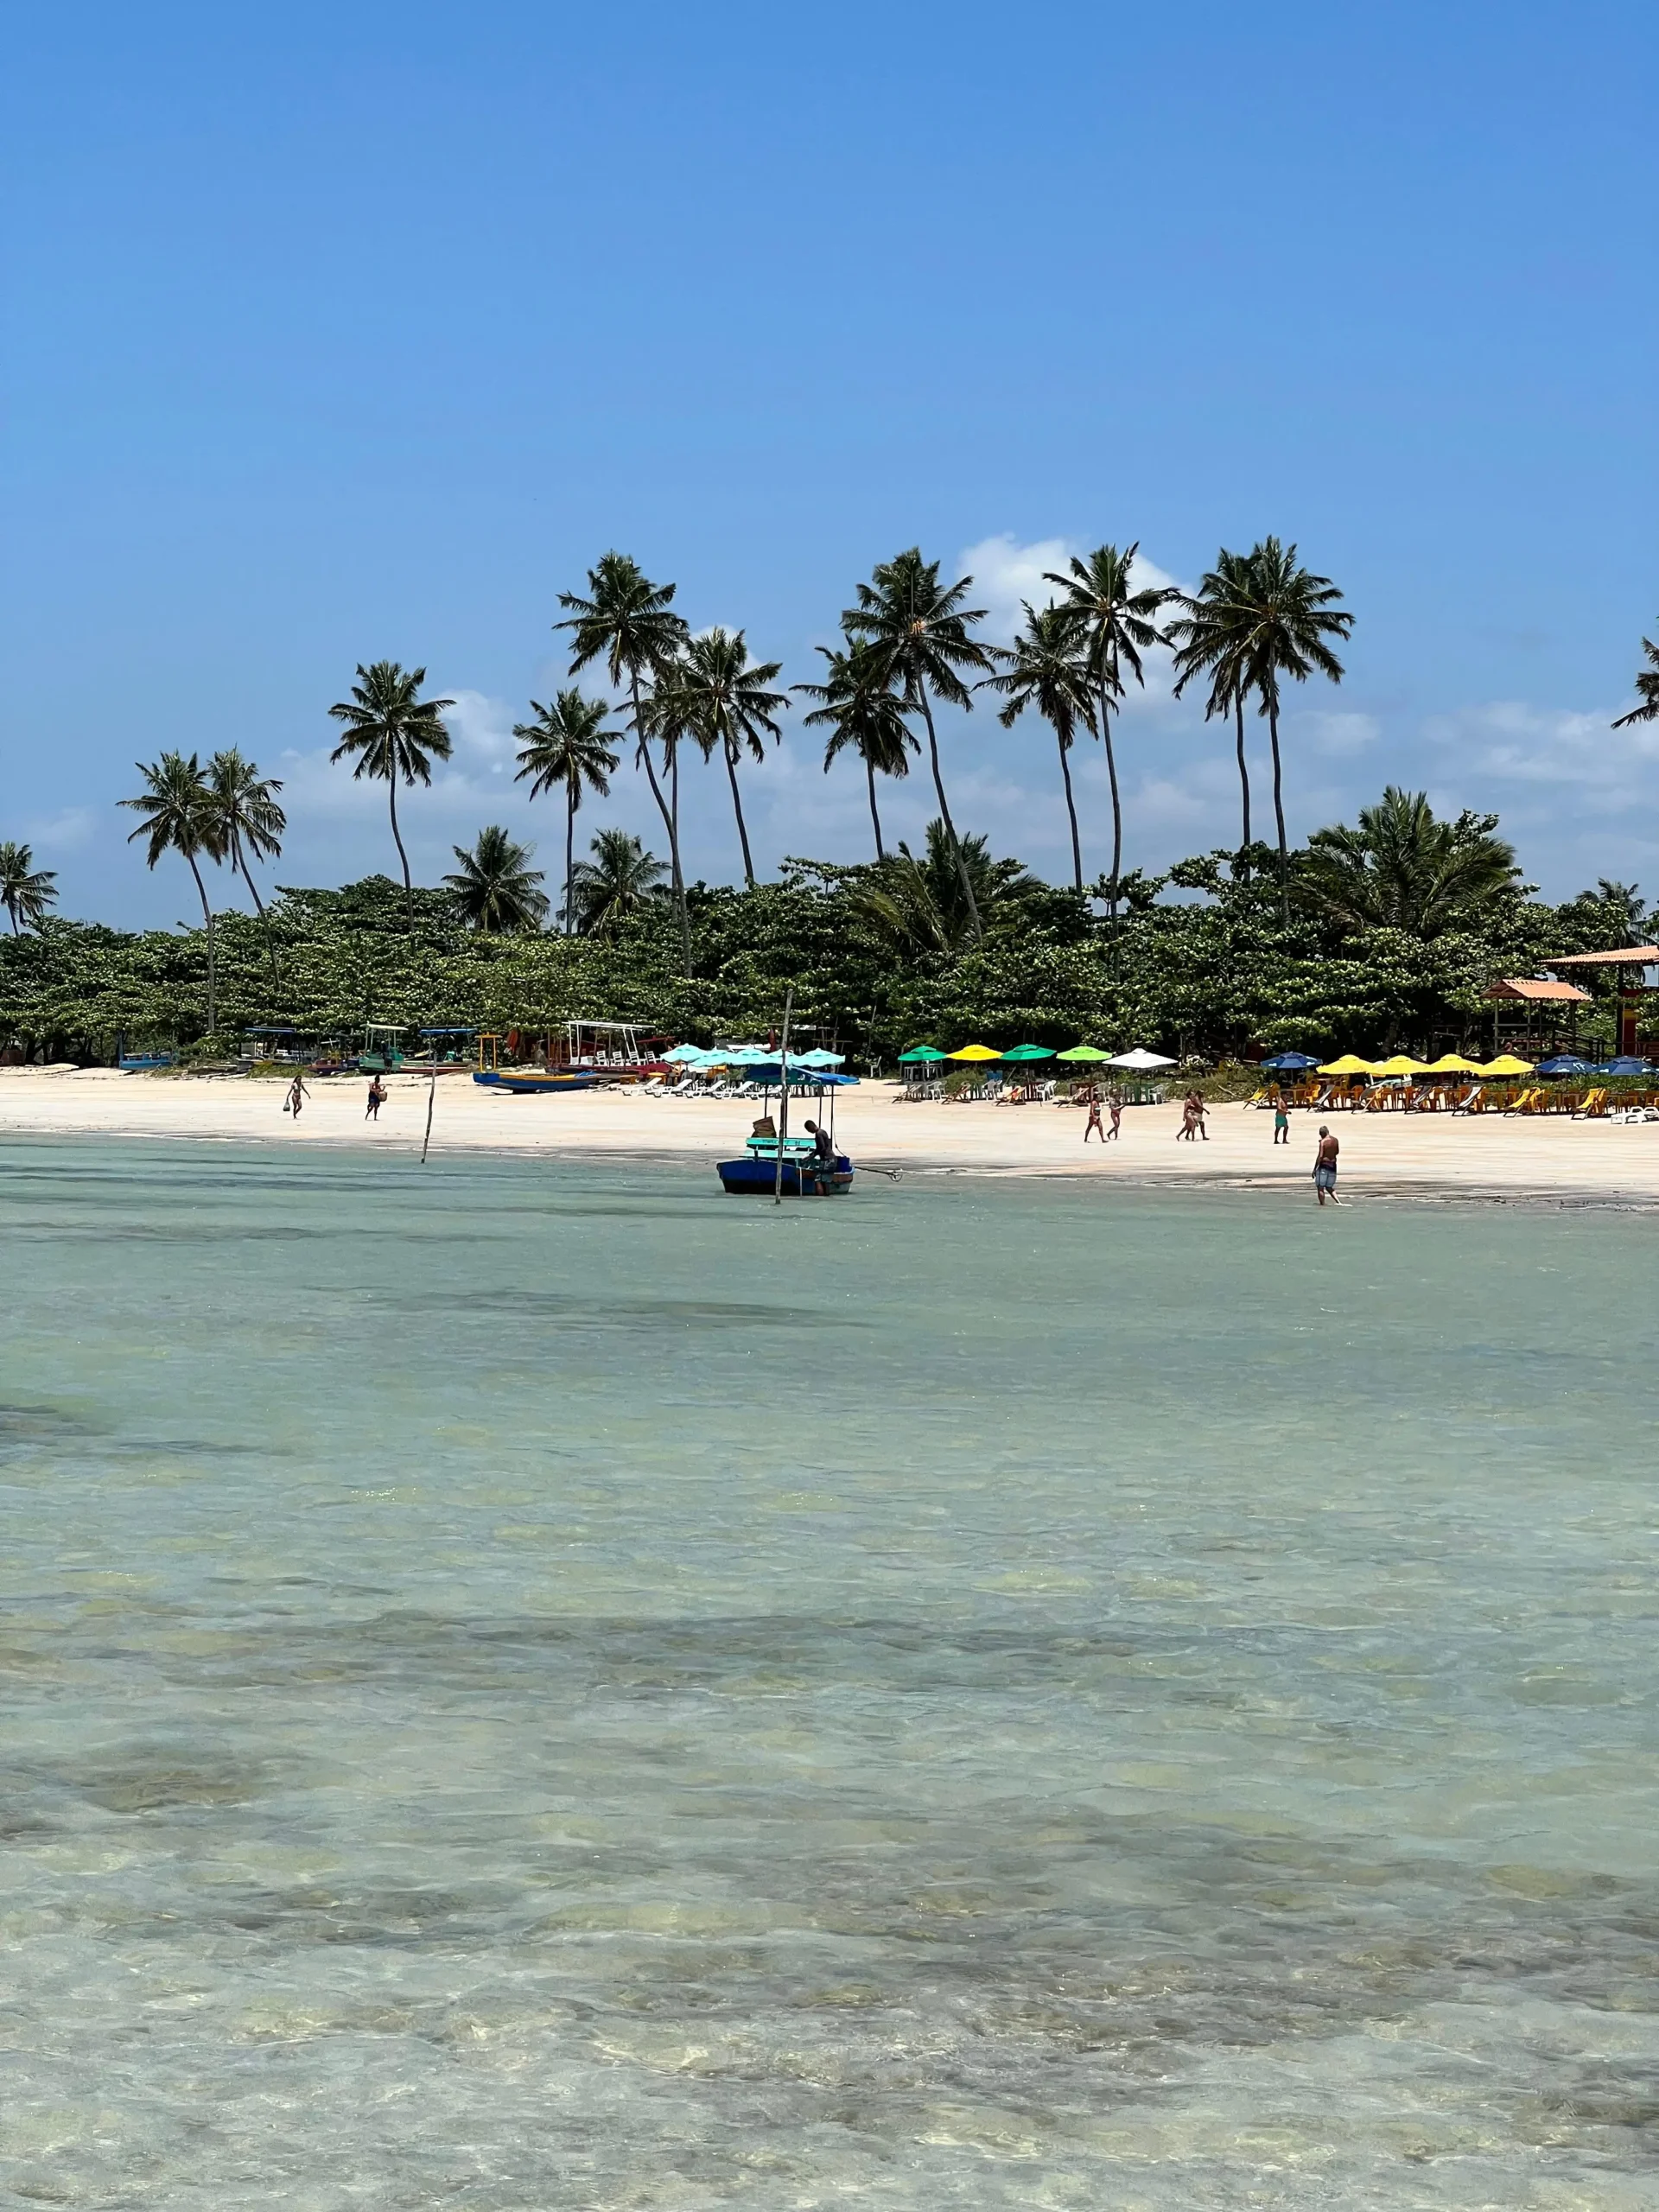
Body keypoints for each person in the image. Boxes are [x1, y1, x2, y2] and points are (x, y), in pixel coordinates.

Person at [1313, 1123, 1342, 1205]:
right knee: (1329, 1187)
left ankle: (1322, 1204)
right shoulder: (1335, 1140)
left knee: (1320, 1187)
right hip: (1333, 1165)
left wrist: (1315, 1169)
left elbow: (1321, 1156)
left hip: (1324, 1166)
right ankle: (1338, 1202)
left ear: (1322, 1134)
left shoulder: (1323, 1142)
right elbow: (1337, 1152)